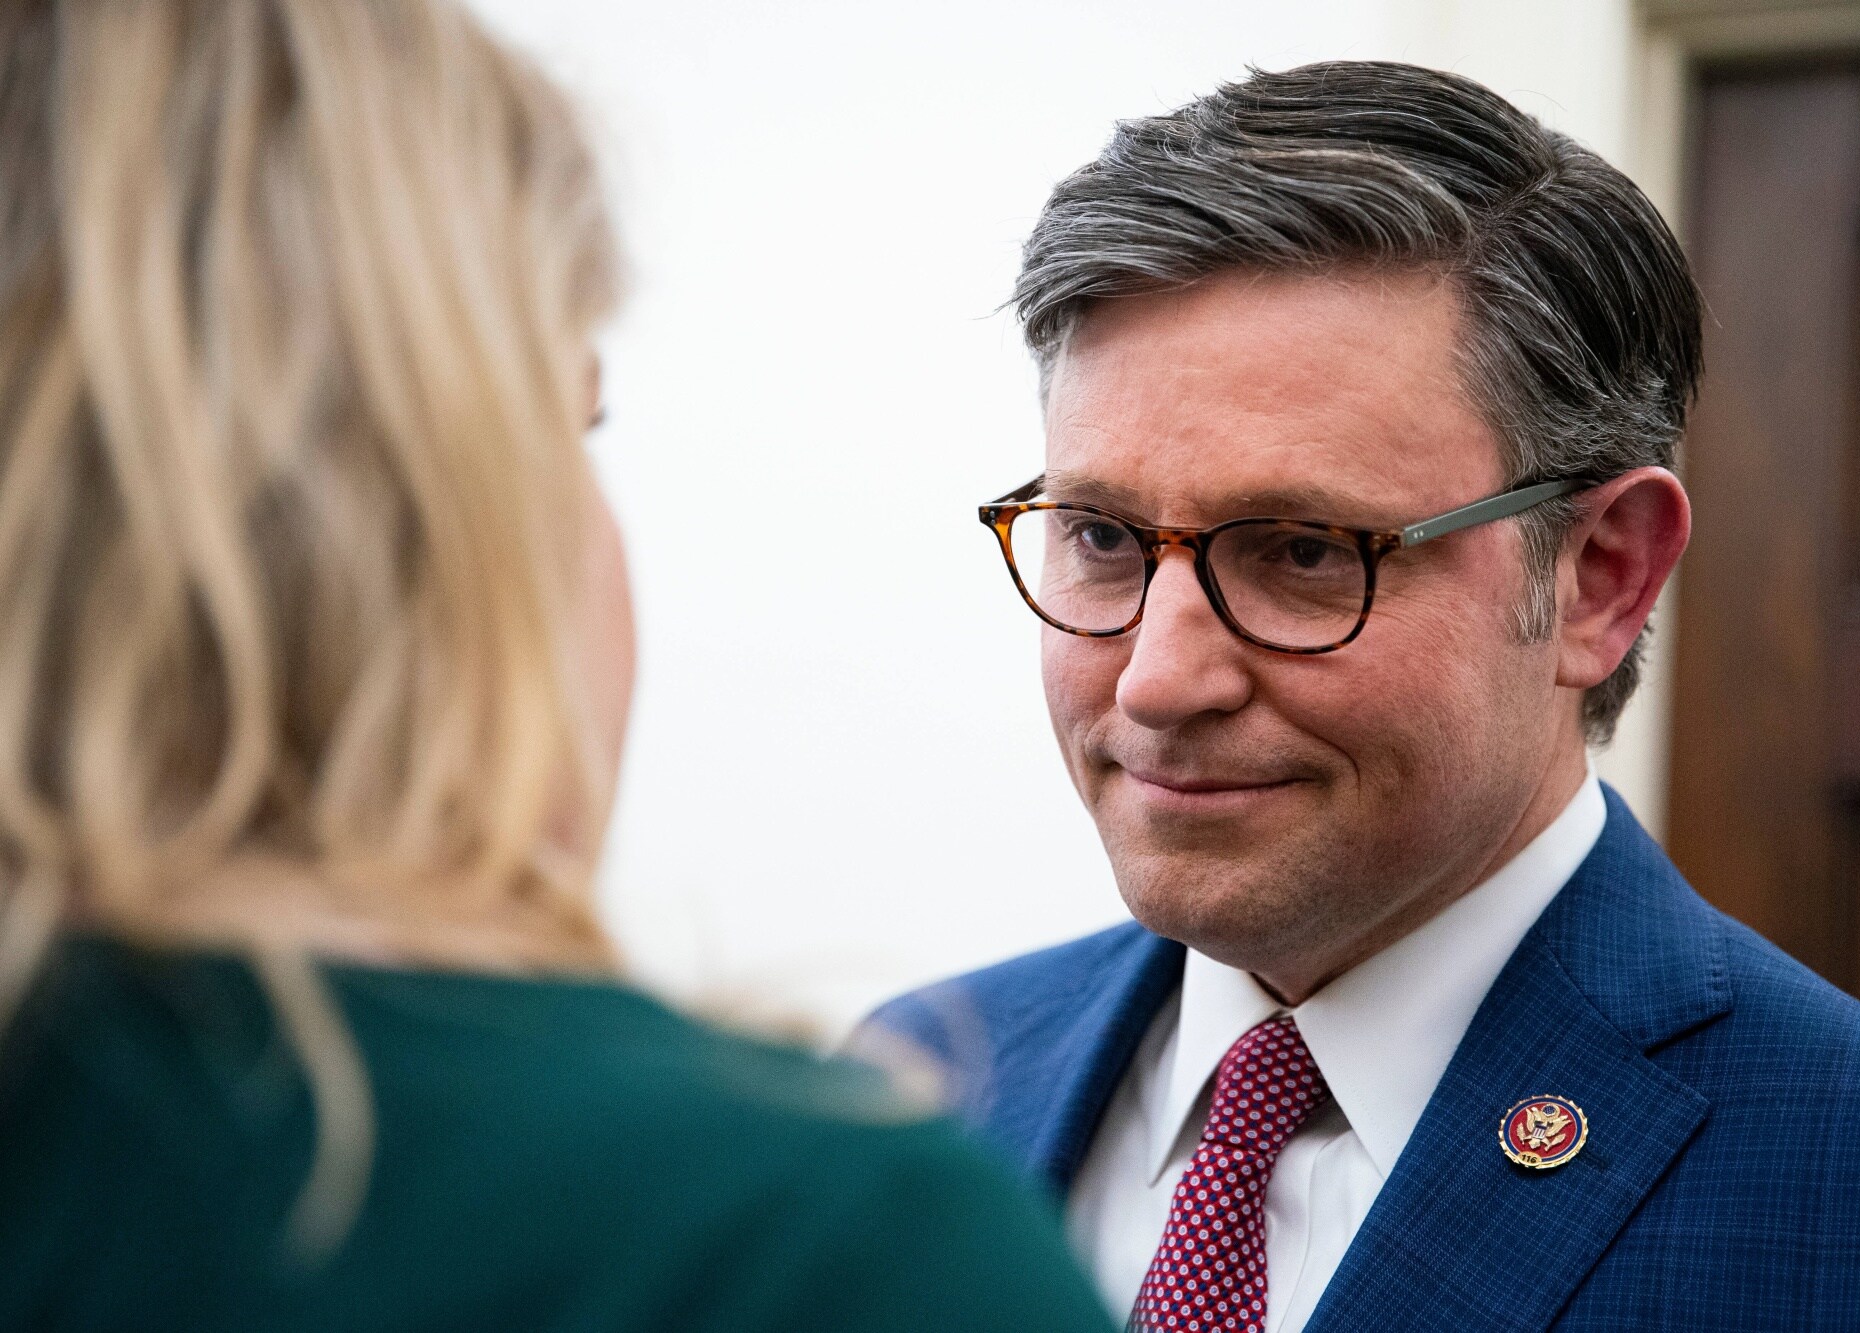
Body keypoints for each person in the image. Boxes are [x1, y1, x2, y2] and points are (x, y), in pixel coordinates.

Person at [0, 3, 1118, 1330]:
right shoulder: (811, 1240)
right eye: (568, 421)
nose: (1163, 675)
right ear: (408, 500)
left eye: (1302, 551)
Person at [866, 62, 1860, 1331]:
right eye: (1099, 537)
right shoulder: (901, 1090)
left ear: (1596, 577)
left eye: (1302, 551)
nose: (1156, 678)